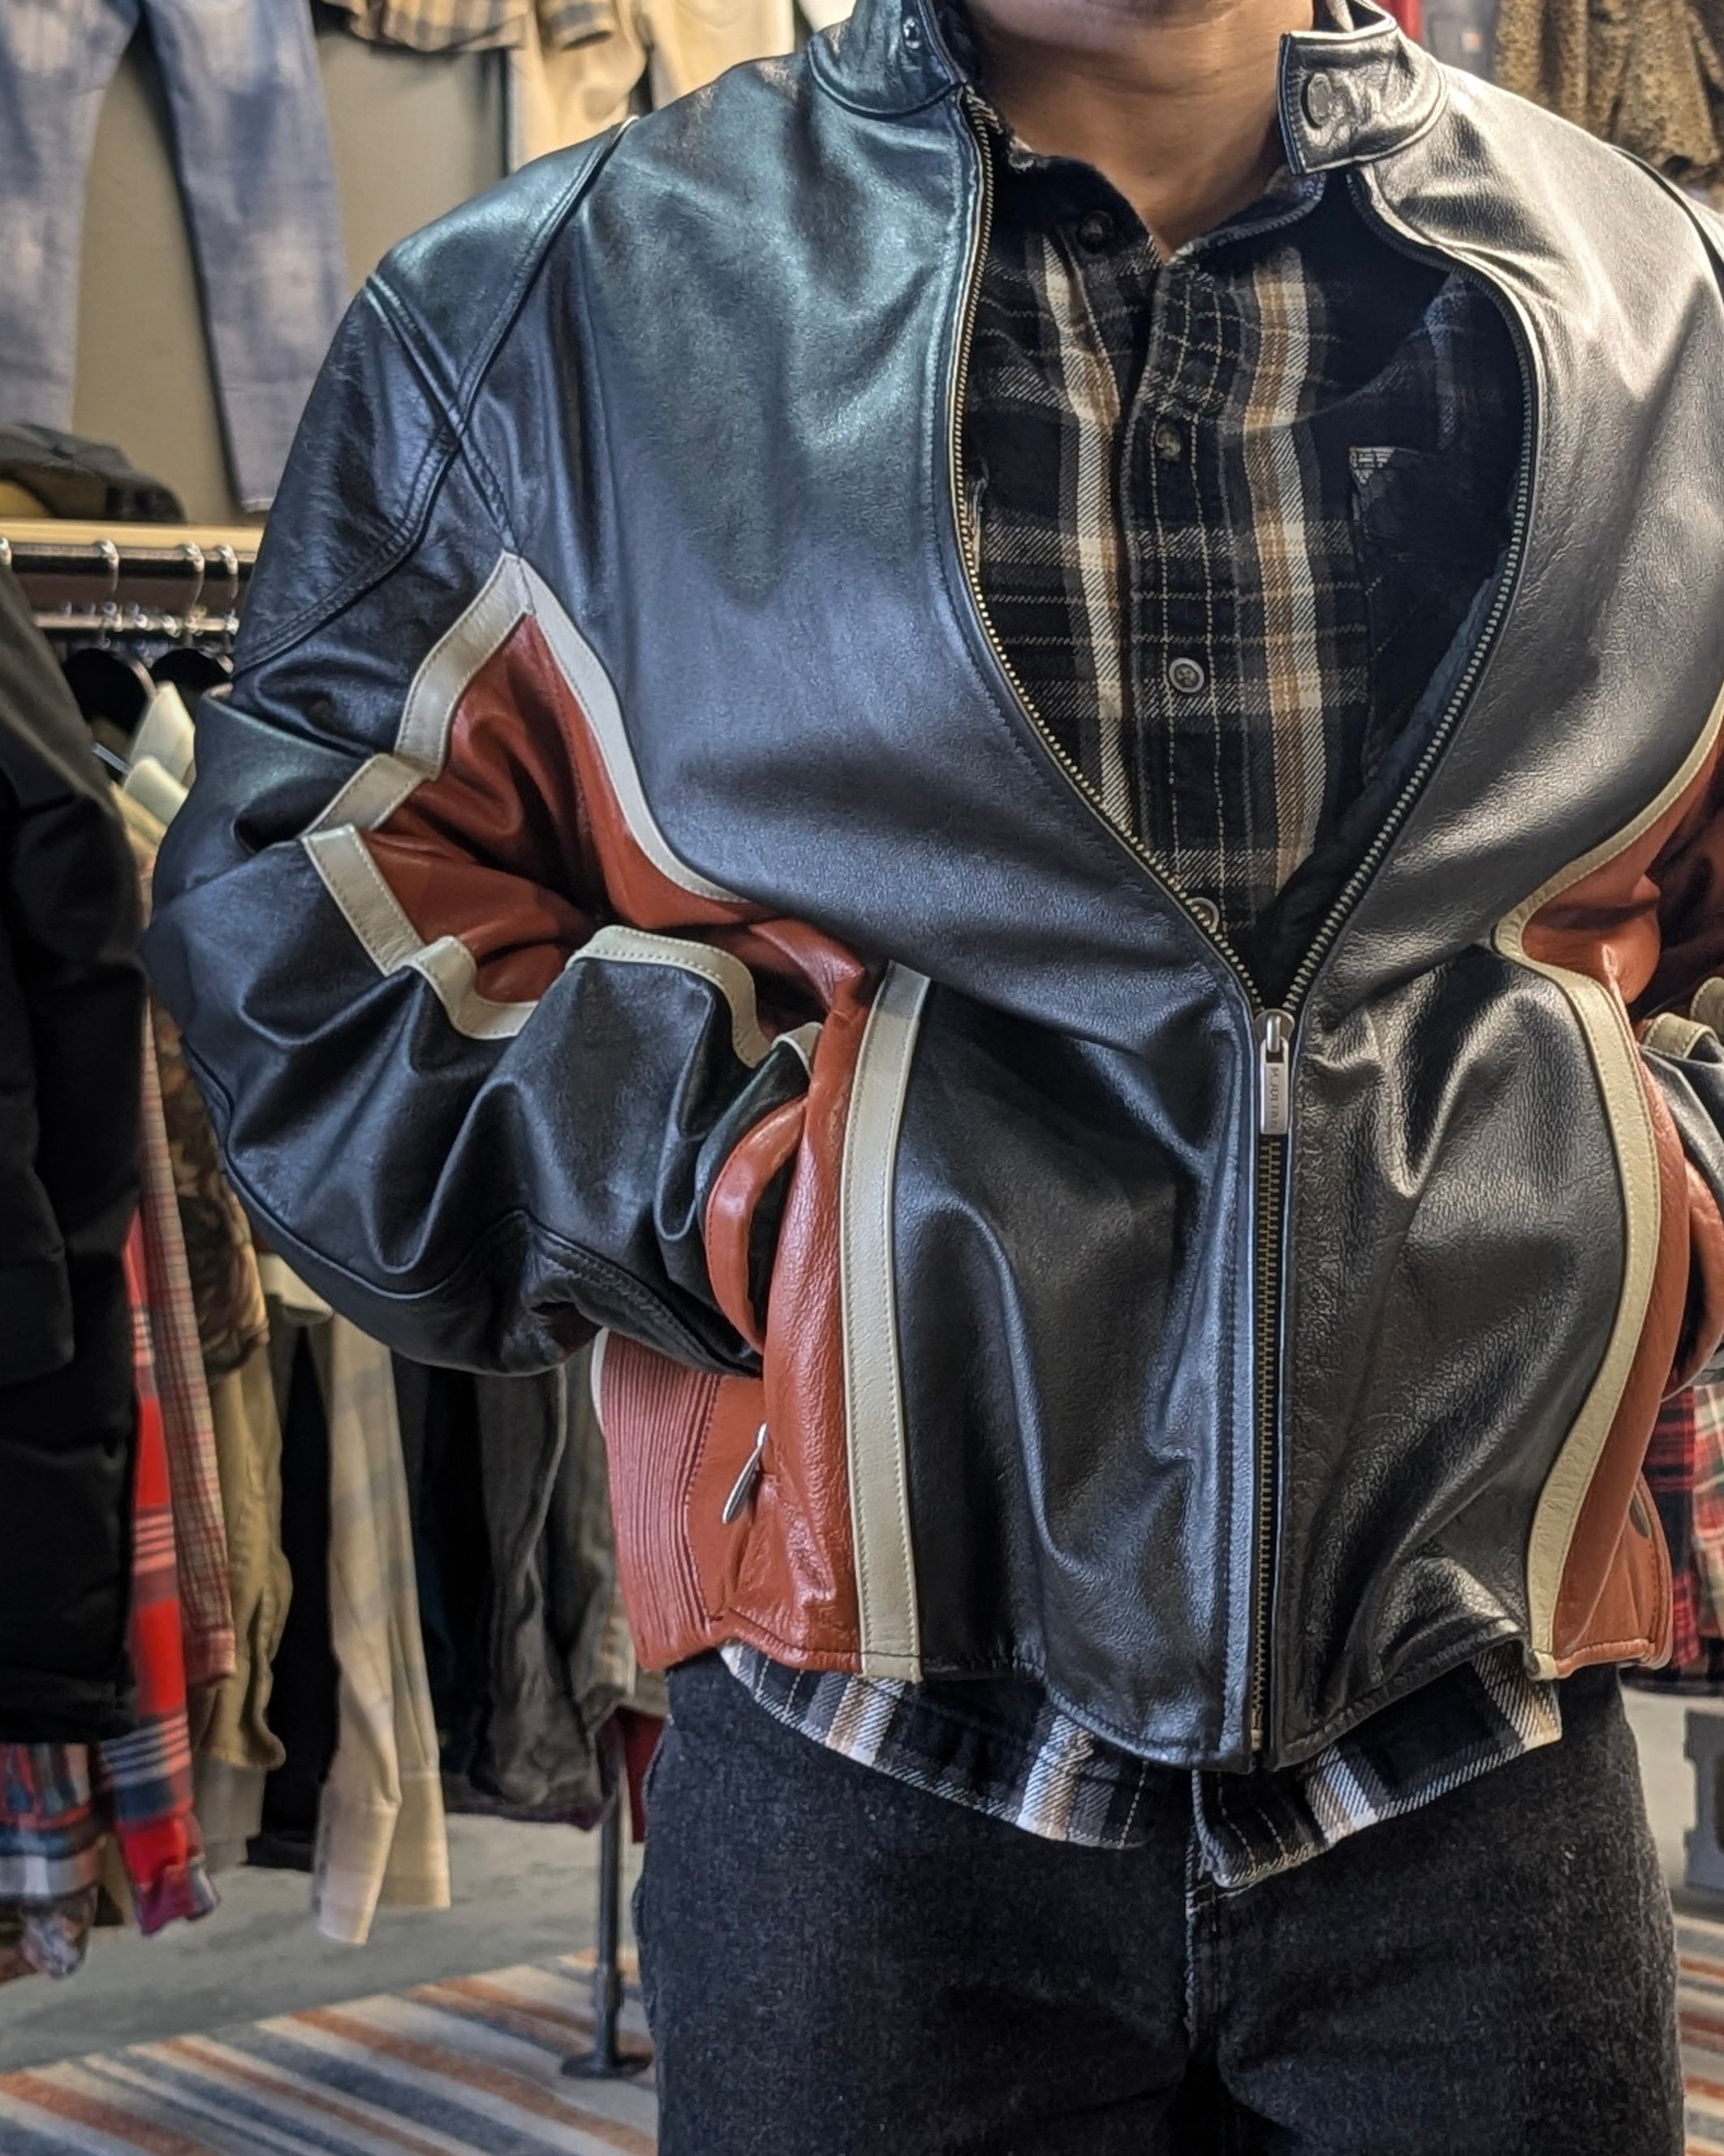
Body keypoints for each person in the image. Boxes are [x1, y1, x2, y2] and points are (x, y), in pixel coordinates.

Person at [148, 0, 1724, 2145]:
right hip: (863, 1774)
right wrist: (754, 1193)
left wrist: (1651, 1180)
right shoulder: (558, 309)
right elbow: (306, 920)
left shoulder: (1653, 306)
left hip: (1475, 1759)